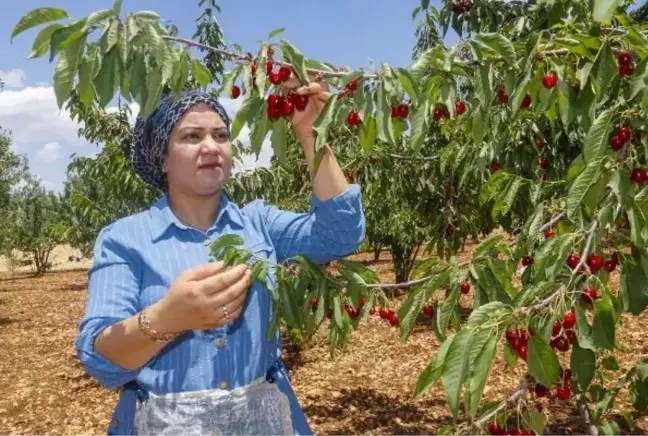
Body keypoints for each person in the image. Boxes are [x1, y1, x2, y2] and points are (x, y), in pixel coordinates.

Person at [74, 73, 366, 435]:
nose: (211, 146)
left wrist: (312, 135)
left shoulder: (258, 224)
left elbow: (338, 235)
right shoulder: (125, 239)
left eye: (221, 135)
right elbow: (100, 358)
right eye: (191, 136)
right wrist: (167, 318)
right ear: (162, 158)